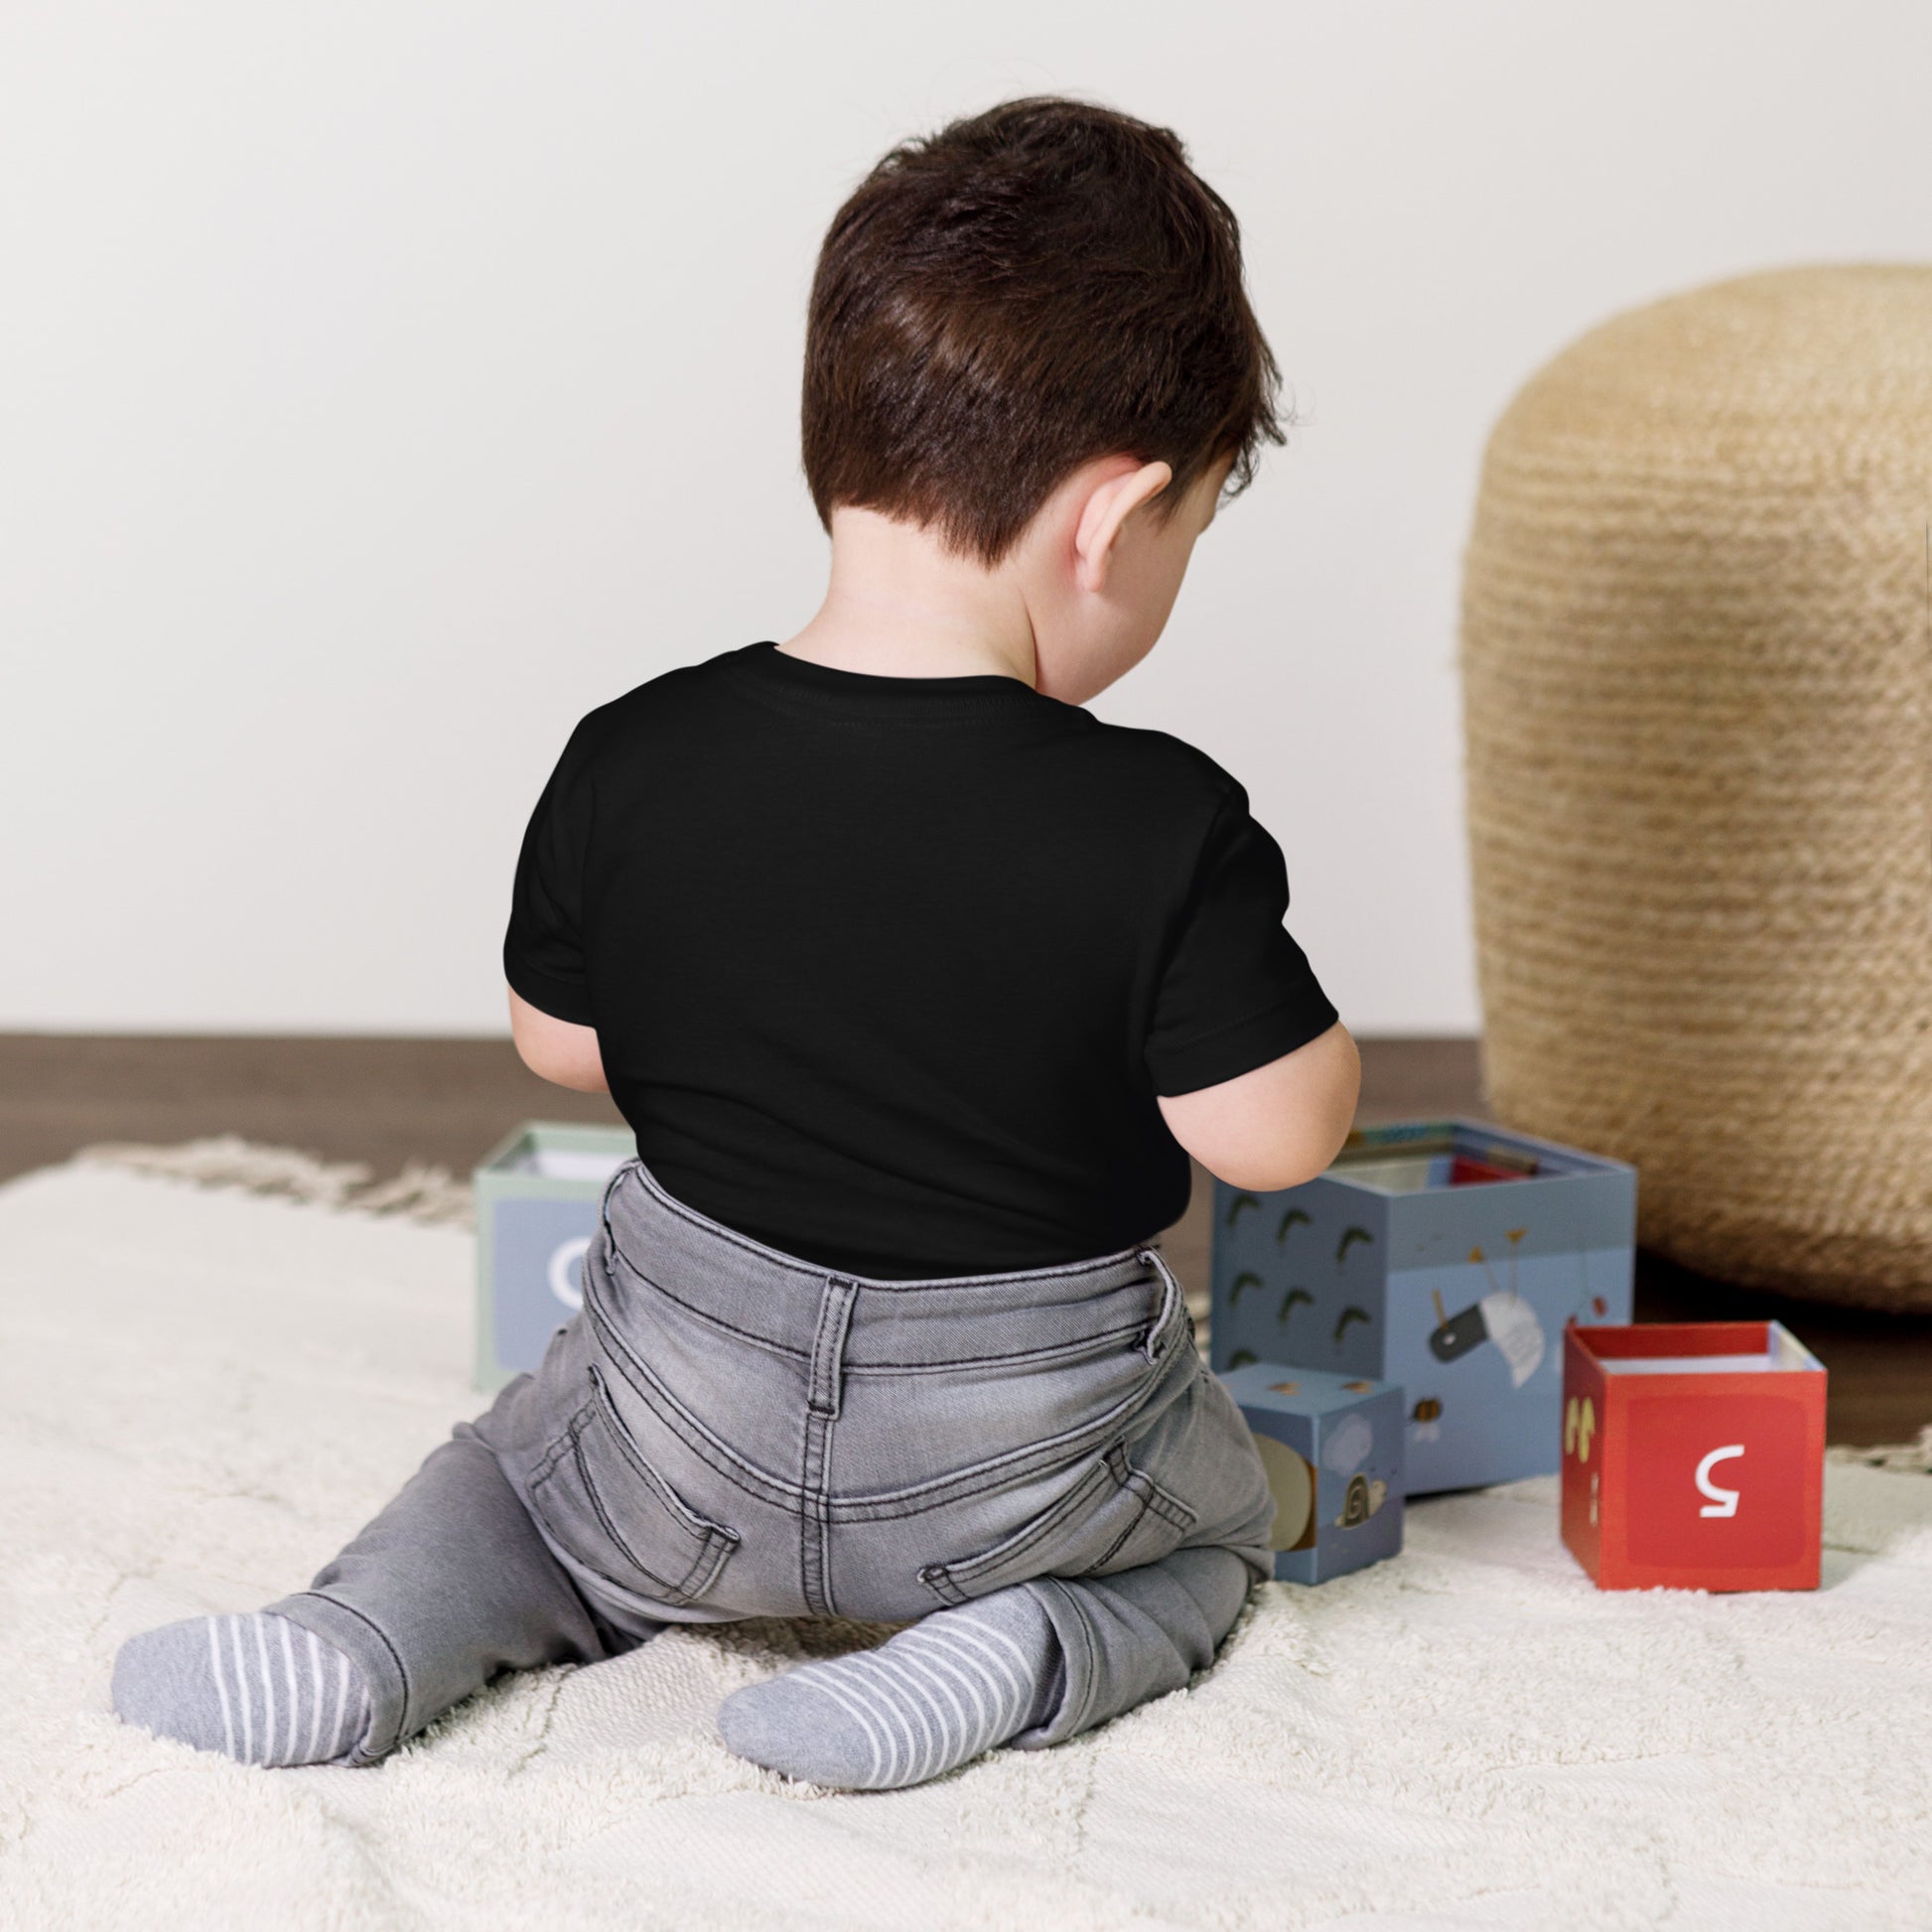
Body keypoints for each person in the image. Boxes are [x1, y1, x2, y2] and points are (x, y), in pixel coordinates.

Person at [111, 94, 1360, 1791]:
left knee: (511, 1480)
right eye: (1190, 536)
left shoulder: (637, 750)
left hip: (673, 1433)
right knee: (1213, 1531)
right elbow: (1275, 1135)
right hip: (1013, 1468)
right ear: (1111, 519)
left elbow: (555, 1040)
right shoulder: (1158, 817)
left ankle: (365, 1639)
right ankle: (1017, 1643)